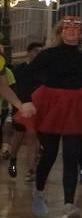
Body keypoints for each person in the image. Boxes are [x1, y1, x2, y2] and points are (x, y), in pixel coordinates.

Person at [30, 15, 82, 218]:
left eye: (75, 29)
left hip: (75, 105)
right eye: (67, 29)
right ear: (60, 33)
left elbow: (77, 78)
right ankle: (39, 191)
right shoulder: (48, 54)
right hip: (52, 104)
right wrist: (27, 100)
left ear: (81, 34)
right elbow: (32, 75)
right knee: (49, 154)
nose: (71, 32)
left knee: (72, 155)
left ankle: (69, 203)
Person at [6, 42, 43, 178]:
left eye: (40, 51)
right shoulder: (19, 70)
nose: (38, 53)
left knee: (33, 136)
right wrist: (18, 105)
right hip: (21, 106)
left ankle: (31, 169)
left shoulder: (43, 70)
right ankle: (13, 159)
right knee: (19, 136)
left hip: (37, 108)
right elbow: (13, 88)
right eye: (36, 51)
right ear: (29, 52)